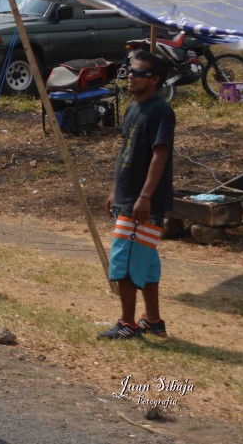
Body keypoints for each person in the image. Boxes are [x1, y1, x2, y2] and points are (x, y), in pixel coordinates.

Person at [99, 50, 175, 340]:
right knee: (146, 261)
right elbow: (125, 153)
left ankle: (127, 323)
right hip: (127, 195)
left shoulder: (160, 111)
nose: (130, 75)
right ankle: (153, 320)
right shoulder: (134, 108)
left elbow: (160, 155)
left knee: (126, 263)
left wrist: (144, 197)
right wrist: (114, 190)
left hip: (141, 202)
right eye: (130, 70)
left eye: (139, 72)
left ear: (154, 79)